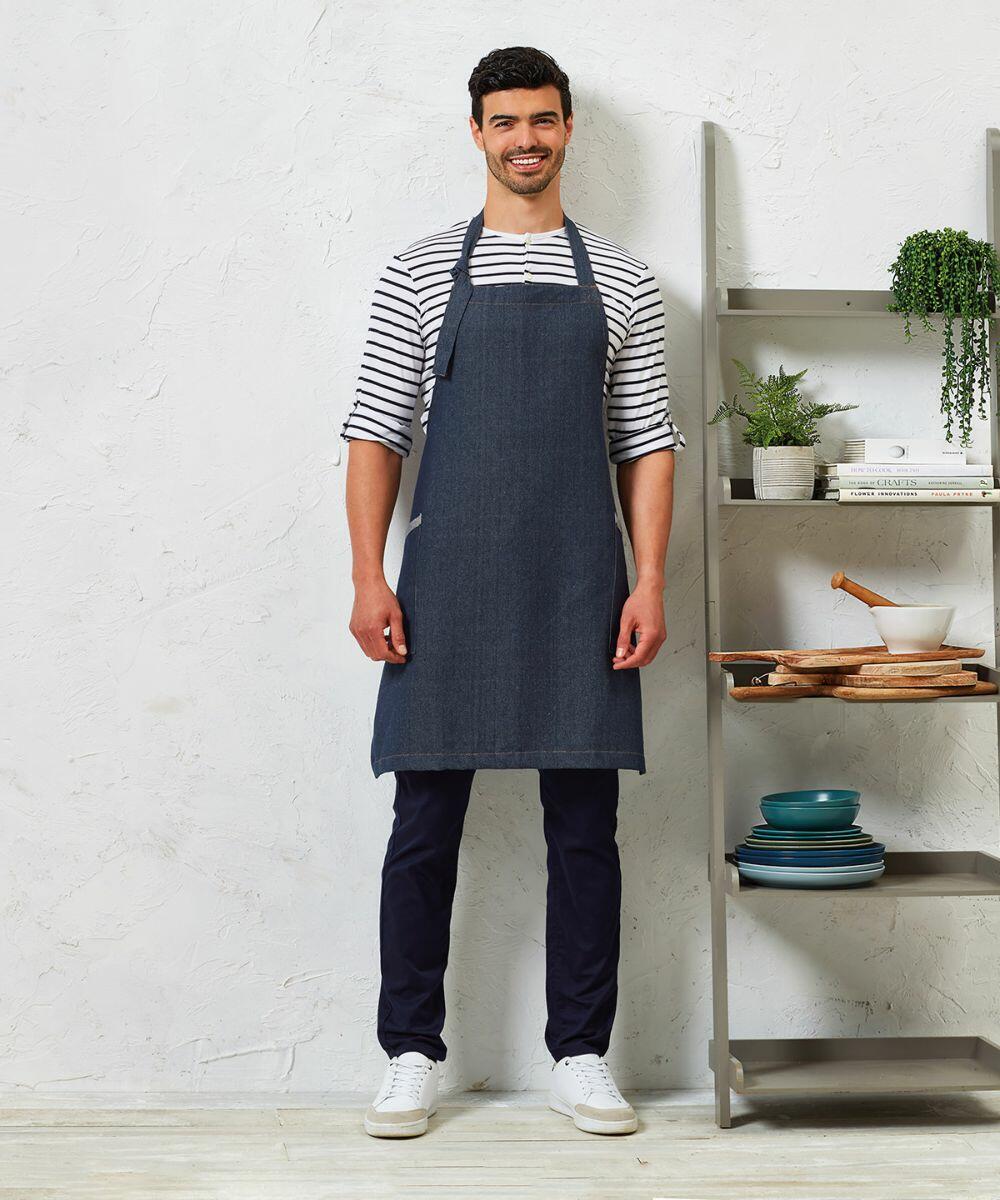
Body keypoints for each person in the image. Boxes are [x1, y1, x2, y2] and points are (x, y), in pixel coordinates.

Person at [341, 45, 684, 1139]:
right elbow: (374, 432)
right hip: (445, 584)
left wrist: (649, 581)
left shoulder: (624, 279)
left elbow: (647, 444)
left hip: (584, 580)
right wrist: (366, 575)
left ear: (568, 129)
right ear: (476, 133)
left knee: (585, 825)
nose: (523, 139)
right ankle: (408, 1051)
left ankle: (580, 1053)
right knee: (423, 824)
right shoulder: (419, 270)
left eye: (541, 120)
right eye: (503, 122)